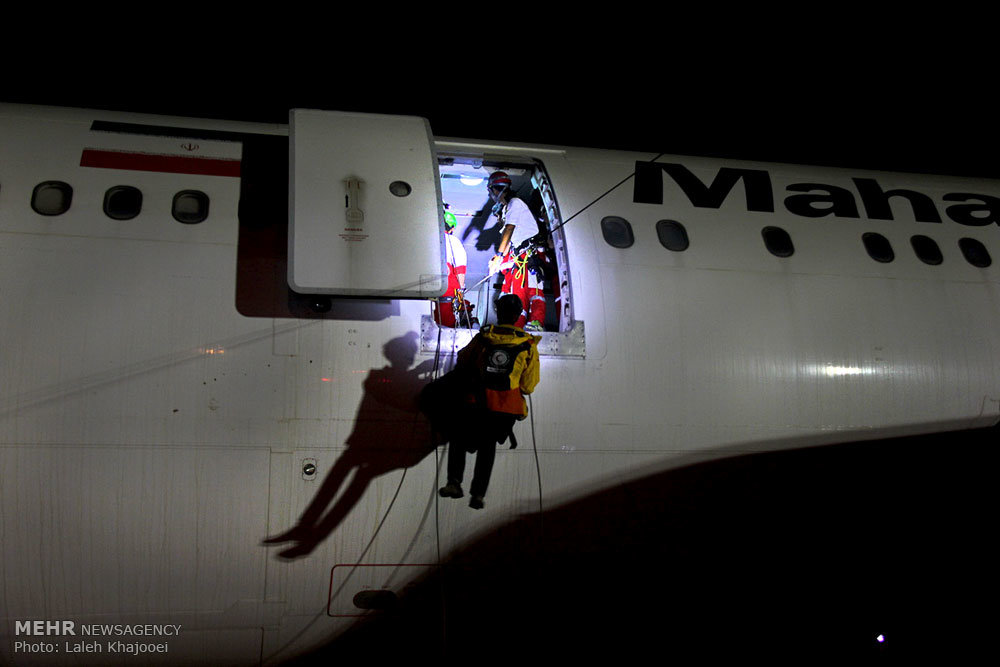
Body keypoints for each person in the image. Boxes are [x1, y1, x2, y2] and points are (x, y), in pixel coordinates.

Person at [436, 293, 541, 509]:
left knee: (458, 436)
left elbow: (463, 359)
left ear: (498, 312)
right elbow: (529, 386)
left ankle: (454, 482)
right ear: (519, 315)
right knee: (488, 446)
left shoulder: (484, 337)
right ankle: (478, 495)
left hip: (478, 403)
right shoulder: (528, 344)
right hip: (506, 410)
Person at [486, 171, 546, 331]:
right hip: (518, 256)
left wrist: (499, 257)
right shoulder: (507, 209)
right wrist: (498, 260)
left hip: (529, 254)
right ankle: (515, 326)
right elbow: (508, 238)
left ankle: (536, 323)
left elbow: (509, 229)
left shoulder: (515, 203)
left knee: (533, 290)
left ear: (495, 189)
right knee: (514, 292)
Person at [435, 208, 469, 328]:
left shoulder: (430, 240)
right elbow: (460, 268)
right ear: (452, 228)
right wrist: (461, 291)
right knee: (446, 328)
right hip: (447, 292)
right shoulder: (453, 241)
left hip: (427, 292)